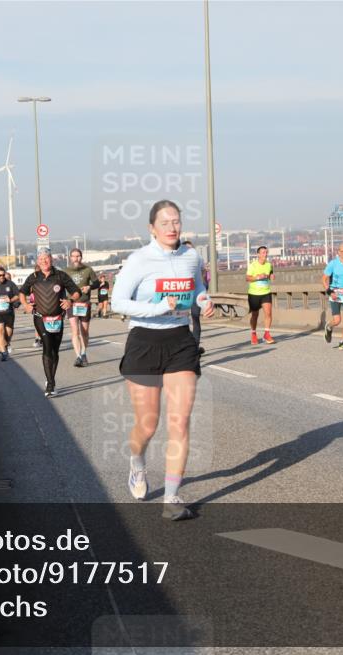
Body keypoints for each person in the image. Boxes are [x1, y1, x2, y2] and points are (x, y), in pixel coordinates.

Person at [111, 200, 214, 521]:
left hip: (180, 342)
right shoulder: (139, 260)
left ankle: (171, 498)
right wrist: (158, 308)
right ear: (152, 228)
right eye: (166, 222)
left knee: (179, 422)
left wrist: (205, 301)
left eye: (177, 222)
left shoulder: (191, 257)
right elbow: (118, 302)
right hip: (144, 342)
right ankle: (137, 464)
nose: (173, 227)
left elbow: (198, 290)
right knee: (148, 423)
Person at [20, 249, 81, 397]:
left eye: (46, 258)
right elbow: (22, 292)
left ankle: (50, 379)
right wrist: (26, 305)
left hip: (58, 318)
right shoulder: (33, 277)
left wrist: (70, 301)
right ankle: (51, 384)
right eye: (40, 259)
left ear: (51, 259)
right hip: (41, 318)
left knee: (55, 350)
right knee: (47, 348)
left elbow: (76, 292)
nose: (43, 261)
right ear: (37, 262)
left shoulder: (60, 276)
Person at [64, 248, 100, 367]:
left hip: (84, 304)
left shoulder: (88, 270)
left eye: (78, 256)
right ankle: (78, 356)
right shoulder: (66, 271)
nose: (76, 258)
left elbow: (97, 283)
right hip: (72, 304)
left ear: (81, 257)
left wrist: (89, 287)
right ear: (70, 257)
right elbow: (61, 287)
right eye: (74, 256)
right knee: (75, 331)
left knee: (84, 332)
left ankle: (84, 353)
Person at [246, 245, 275, 344]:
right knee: (255, 315)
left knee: (268, 313)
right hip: (254, 293)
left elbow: (270, 273)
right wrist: (258, 277)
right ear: (258, 254)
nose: (265, 254)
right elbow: (248, 278)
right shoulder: (253, 265)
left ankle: (267, 334)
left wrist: (271, 276)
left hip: (266, 292)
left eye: (266, 252)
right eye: (263, 253)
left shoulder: (269, 265)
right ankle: (253, 333)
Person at [181, 240, 206, 354]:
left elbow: (203, 272)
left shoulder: (199, 259)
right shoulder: (177, 261)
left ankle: (195, 347)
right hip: (182, 295)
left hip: (196, 293)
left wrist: (203, 285)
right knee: (182, 321)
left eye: (191, 249)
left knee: (195, 318)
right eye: (186, 249)